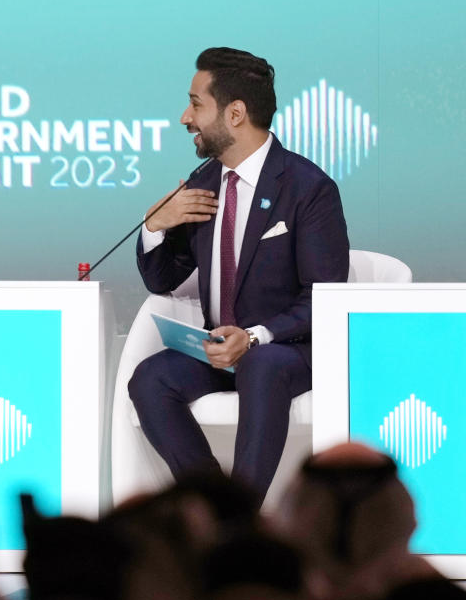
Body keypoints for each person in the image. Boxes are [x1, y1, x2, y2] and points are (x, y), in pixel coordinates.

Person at [128, 47, 349, 503]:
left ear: (235, 113)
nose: (184, 116)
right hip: (219, 349)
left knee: (262, 367)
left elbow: (324, 299)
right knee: (149, 379)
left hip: (286, 350)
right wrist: (155, 226)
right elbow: (162, 279)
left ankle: (242, 516)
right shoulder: (204, 183)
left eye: (196, 103)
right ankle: (218, 506)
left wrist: (253, 337)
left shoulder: (308, 188)